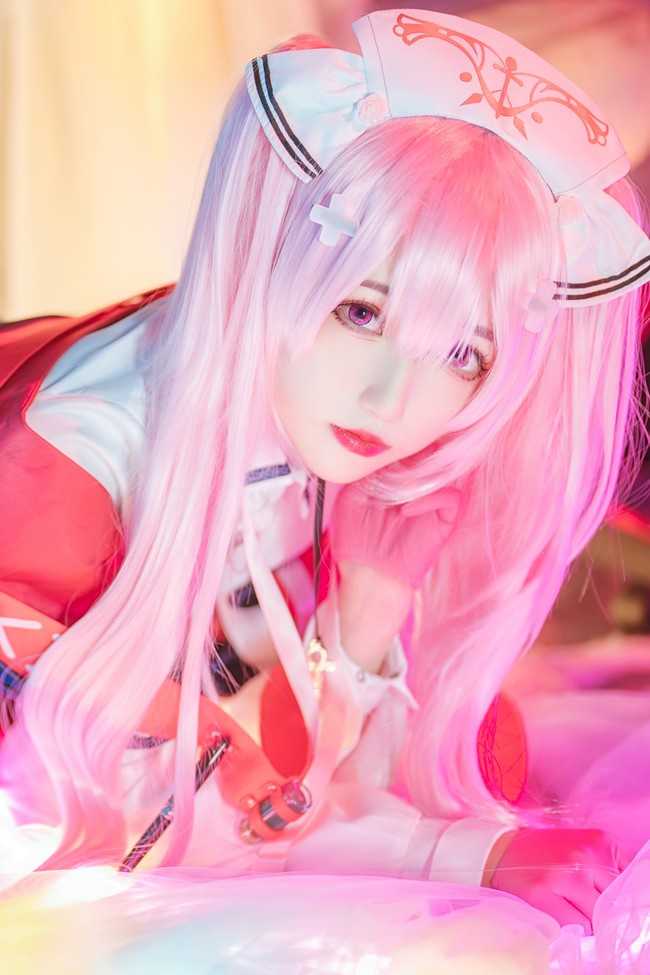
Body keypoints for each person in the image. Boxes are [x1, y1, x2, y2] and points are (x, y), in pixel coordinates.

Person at [1, 7, 649, 958]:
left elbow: (291, 742)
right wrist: (440, 851)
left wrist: (369, 613)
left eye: (462, 354)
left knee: (492, 755)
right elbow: (81, 794)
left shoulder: (319, 419)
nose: (392, 400)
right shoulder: (68, 458)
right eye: (361, 311)